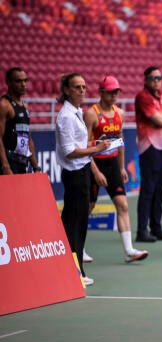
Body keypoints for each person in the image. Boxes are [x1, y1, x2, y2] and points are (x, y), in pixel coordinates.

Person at [83, 76, 148, 263]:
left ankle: (129, 251)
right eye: (110, 92)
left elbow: (120, 142)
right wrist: (95, 171)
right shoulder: (92, 114)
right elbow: (85, 145)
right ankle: (80, 248)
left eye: (116, 92)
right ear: (101, 92)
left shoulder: (120, 113)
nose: (114, 95)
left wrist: (121, 167)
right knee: (87, 208)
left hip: (112, 165)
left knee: (123, 205)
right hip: (93, 164)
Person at [55, 73, 110, 286]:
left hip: (83, 171)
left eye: (84, 87)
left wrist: (95, 145)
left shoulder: (77, 112)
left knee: (81, 223)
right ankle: (73, 271)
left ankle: (78, 270)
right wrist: (95, 148)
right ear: (67, 90)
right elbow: (69, 152)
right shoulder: (66, 116)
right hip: (75, 175)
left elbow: (79, 144)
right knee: (73, 223)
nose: (81, 90)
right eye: (76, 87)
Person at [135, 66, 162, 243]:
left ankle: (156, 227)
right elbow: (158, 120)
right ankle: (141, 230)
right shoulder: (143, 97)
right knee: (148, 189)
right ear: (145, 80)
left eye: (159, 78)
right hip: (149, 146)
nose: (156, 81)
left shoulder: (161, 98)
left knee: (160, 189)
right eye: (153, 78)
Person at [0, 67, 40, 175]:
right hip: (8, 162)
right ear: (8, 82)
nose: (23, 84)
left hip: (22, 162)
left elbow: (28, 138)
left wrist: (36, 166)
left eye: (25, 80)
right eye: (18, 81)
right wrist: (5, 166)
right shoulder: (4, 105)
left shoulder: (25, 106)